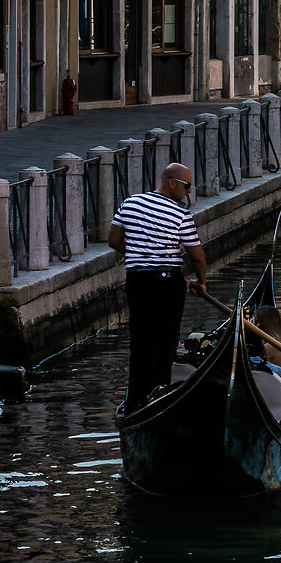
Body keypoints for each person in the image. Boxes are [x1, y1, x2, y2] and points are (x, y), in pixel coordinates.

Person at [108, 163, 209, 412]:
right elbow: (196, 256)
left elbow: (114, 241)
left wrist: (142, 256)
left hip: (137, 279)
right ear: (171, 182)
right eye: (186, 186)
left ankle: (135, 400)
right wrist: (201, 281)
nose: (189, 191)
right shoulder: (180, 214)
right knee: (165, 341)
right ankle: (158, 399)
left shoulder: (130, 203)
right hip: (167, 282)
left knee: (140, 339)